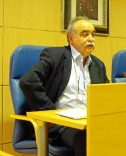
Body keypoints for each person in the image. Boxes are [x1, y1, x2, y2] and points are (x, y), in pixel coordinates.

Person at [19, 16, 109, 156]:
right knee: (87, 139)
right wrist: (50, 112)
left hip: (90, 122)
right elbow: (28, 81)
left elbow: (107, 94)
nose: (91, 38)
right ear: (70, 38)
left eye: (93, 34)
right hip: (62, 126)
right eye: (85, 34)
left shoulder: (98, 65)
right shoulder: (55, 56)